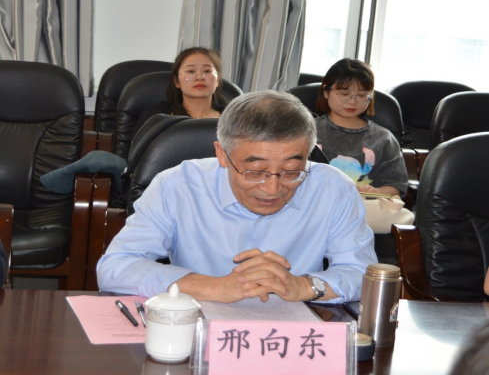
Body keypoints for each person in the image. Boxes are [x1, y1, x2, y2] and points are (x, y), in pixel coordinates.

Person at [97, 90, 377, 303]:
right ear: (222, 154)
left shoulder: (334, 188)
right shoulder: (177, 186)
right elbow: (116, 267)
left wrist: (306, 286)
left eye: (292, 171)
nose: (272, 189)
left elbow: (363, 274)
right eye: (255, 172)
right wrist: (214, 287)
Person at [315, 58, 408, 197]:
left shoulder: (383, 138)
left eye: (361, 95)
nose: (352, 101)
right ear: (326, 91)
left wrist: (375, 192)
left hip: (364, 205)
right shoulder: (306, 130)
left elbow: (396, 185)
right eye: (344, 94)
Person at [131, 47, 228, 139]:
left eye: (207, 71)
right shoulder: (157, 115)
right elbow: (137, 147)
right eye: (191, 71)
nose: (199, 77)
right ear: (176, 81)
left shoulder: (230, 117)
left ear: (218, 80)